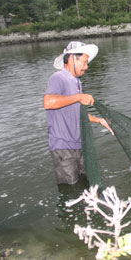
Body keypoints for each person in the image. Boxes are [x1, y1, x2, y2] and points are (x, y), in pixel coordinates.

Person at [44, 41, 113, 185]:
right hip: (63, 146)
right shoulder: (58, 77)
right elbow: (48, 103)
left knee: (85, 183)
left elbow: (75, 114)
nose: (86, 67)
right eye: (84, 62)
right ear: (71, 58)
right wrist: (79, 97)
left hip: (79, 144)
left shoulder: (76, 82)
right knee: (70, 188)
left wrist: (99, 120)